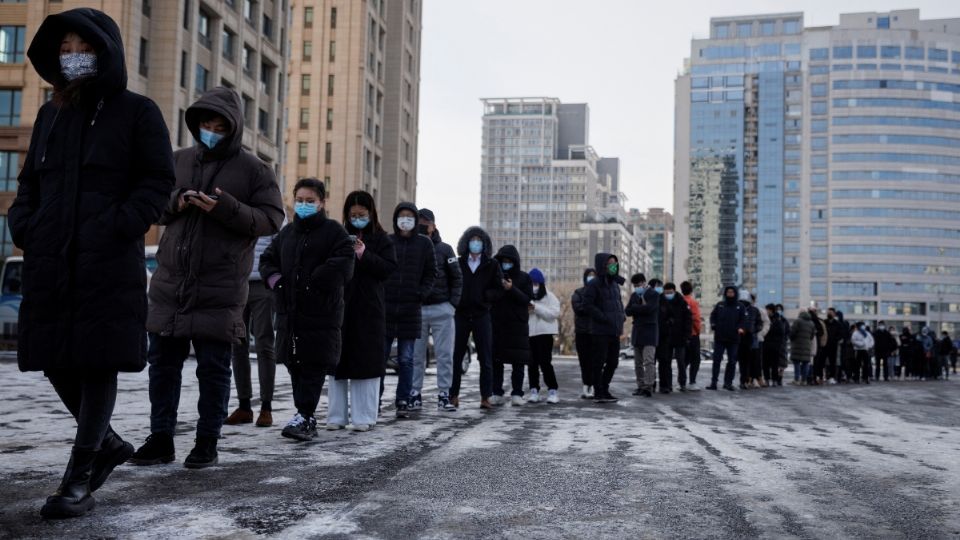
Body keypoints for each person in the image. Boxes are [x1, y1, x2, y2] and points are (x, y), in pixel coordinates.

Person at [10, 8, 176, 518]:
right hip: (51, 260)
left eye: (82, 47)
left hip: (106, 261)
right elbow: (29, 185)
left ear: (104, 51)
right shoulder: (50, 114)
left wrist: (117, 225)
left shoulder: (138, 111)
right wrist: (26, 225)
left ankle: (79, 477)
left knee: (97, 361)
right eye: (63, 49)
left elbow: (157, 183)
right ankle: (104, 442)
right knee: (55, 357)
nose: (71, 56)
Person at [131, 87, 284, 469]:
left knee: (213, 369)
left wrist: (225, 208)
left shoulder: (255, 170)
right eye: (206, 124)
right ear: (196, 124)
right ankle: (160, 437)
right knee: (162, 366)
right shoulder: (177, 159)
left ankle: (206, 441)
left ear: (233, 129)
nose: (211, 131)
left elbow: (271, 219)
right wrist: (177, 200)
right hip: (170, 284)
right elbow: (153, 205)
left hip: (220, 286)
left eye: (220, 126)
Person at [258, 178, 354, 440]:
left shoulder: (334, 232)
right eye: (300, 200)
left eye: (310, 201)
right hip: (290, 315)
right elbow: (267, 260)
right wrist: (276, 281)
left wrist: (313, 281)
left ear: (322, 202)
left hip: (320, 315)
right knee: (295, 365)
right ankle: (305, 415)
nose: (304, 205)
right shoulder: (286, 234)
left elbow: (343, 263)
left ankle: (305, 415)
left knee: (313, 365)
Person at [329, 191, 397, 432]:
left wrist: (363, 254)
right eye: (353, 215)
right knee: (336, 363)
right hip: (341, 306)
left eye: (362, 215)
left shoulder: (382, 239)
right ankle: (336, 416)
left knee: (366, 364)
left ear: (371, 214)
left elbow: (388, 268)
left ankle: (364, 416)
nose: (357, 218)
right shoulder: (338, 236)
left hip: (369, 309)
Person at [225, 221, 284, 428]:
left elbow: (280, 248)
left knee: (264, 344)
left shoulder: (273, 209)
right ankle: (244, 406)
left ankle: (266, 407)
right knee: (237, 344)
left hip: (262, 285)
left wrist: (274, 280)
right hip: (238, 282)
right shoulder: (236, 204)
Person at [383, 202, 436, 418]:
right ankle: (374, 399)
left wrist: (420, 294)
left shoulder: (424, 244)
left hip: (410, 310)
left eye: (409, 216)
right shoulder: (387, 241)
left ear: (414, 220)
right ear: (396, 219)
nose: (405, 220)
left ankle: (403, 400)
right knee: (380, 358)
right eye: (401, 216)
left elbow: (432, 273)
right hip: (386, 308)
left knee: (406, 359)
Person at [410, 208, 462, 412]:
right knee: (415, 355)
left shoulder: (446, 249)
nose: (423, 225)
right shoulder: (411, 248)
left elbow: (457, 277)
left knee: (444, 355)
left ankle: (444, 395)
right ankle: (414, 394)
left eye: (426, 222)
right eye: (419, 222)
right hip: (418, 309)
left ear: (434, 225)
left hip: (442, 308)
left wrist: (452, 304)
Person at [450, 227, 501, 409]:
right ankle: (453, 395)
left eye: (479, 240)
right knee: (455, 356)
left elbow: (498, 288)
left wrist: (486, 297)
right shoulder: (458, 262)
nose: (476, 243)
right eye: (473, 239)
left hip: (482, 315)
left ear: (484, 243)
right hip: (461, 314)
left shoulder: (492, 264)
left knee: (486, 357)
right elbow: (452, 284)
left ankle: (485, 397)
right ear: (466, 242)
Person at [490, 245, 534, 406]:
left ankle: (517, 393)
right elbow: (489, 295)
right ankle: (496, 392)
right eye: (503, 261)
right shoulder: (494, 276)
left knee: (518, 362)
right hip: (498, 324)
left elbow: (527, 299)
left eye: (509, 261)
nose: (506, 264)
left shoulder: (524, 278)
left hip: (518, 326)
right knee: (497, 361)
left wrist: (511, 288)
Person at [583, 253, 627, 403]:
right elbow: (587, 305)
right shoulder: (594, 284)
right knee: (599, 361)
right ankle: (598, 391)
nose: (613, 266)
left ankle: (605, 388)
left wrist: (621, 317)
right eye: (610, 264)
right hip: (600, 330)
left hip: (614, 330)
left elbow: (618, 304)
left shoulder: (615, 284)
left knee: (613, 362)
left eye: (615, 263)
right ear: (603, 265)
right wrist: (603, 317)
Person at [527, 268, 561, 403]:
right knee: (531, 364)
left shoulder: (550, 296)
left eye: (537, 283)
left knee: (545, 363)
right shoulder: (525, 296)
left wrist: (536, 308)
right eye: (532, 283)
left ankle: (552, 390)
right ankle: (534, 390)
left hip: (545, 334)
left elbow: (553, 314)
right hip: (529, 334)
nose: (534, 286)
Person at [625, 274, 659, 397]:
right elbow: (627, 311)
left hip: (650, 332)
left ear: (644, 283)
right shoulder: (634, 295)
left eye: (638, 285)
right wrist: (640, 308)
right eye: (635, 286)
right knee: (637, 363)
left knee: (649, 361)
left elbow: (650, 309)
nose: (637, 287)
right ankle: (640, 386)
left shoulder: (654, 294)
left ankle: (649, 386)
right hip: (637, 332)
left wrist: (636, 308)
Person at [655, 283, 692, 393]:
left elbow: (688, 320)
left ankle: (682, 383)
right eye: (666, 292)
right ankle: (667, 385)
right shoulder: (660, 300)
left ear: (674, 291)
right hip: (665, 336)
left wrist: (687, 336)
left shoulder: (682, 302)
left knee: (681, 361)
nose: (668, 294)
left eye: (670, 292)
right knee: (665, 361)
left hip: (680, 336)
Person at [708, 286, 746, 391]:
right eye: (728, 292)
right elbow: (713, 316)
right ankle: (713, 382)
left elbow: (743, 320)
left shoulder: (740, 306)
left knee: (732, 361)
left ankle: (728, 383)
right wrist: (713, 324)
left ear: (735, 293)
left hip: (734, 339)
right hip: (720, 337)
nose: (730, 293)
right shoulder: (720, 305)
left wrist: (740, 328)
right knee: (716, 360)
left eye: (732, 292)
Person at [571, 269, 598, 398]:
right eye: (589, 276)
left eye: (593, 276)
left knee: (595, 361)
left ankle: (593, 385)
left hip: (596, 331)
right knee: (584, 360)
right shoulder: (578, 292)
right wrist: (591, 307)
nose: (591, 278)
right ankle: (585, 385)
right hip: (582, 331)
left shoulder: (600, 293)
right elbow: (578, 308)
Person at [736, 289, 761, 389]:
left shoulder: (754, 310)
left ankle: (747, 380)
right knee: (741, 361)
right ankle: (744, 380)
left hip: (750, 337)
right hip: (738, 336)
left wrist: (754, 330)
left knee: (748, 360)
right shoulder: (737, 308)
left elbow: (760, 323)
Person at [680, 281, 703, 391]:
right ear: (691, 290)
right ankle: (692, 381)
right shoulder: (693, 302)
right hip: (692, 334)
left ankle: (682, 382)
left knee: (684, 359)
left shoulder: (679, 301)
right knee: (695, 359)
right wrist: (698, 331)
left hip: (681, 334)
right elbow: (696, 319)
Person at [789, 310, 816, 385]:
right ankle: (804, 380)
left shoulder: (797, 321)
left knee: (797, 363)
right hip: (807, 345)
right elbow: (812, 335)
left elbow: (792, 332)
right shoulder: (812, 323)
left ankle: (796, 379)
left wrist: (792, 339)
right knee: (806, 363)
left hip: (797, 345)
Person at [762, 304, 785, 386]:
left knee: (774, 364)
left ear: (771, 310)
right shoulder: (764, 319)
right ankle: (767, 379)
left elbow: (782, 333)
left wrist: (778, 344)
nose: (766, 311)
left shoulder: (777, 320)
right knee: (765, 364)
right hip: (765, 345)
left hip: (774, 346)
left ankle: (774, 380)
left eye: (767, 310)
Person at [824, 308, 844, 384]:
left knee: (833, 362)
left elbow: (840, 334)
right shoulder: (824, 322)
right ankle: (823, 376)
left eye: (831, 312)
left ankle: (832, 377)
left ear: (834, 314)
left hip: (833, 346)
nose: (829, 314)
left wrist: (835, 340)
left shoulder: (837, 324)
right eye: (828, 312)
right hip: (825, 345)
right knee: (823, 361)